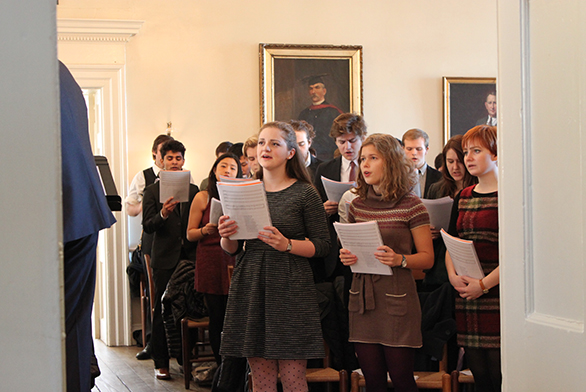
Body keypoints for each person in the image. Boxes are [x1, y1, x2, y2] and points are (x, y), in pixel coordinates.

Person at [218, 121, 330, 391]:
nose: (265, 148)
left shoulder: (305, 193)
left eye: (274, 143)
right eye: (261, 143)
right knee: (261, 379)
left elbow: (323, 245)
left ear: (291, 153)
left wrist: (287, 244)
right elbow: (232, 248)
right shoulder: (244, 189)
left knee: (292, 378)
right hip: (252, 281)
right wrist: (226, 234)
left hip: (291, 285)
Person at [339, 133, 433, 392]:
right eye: (363, 159)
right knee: (373, 382)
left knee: (402, 380)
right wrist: (348, 257)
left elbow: (427, 258)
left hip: (397, 300)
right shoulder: (356, 205)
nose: (365, 164)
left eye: (373, 158)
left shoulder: (411, 205)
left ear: (390, 162)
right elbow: (354, 249)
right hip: (363, 302)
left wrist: (399, 259)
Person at [59, 60, 117, 391]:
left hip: (55, 212)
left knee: (54, 332)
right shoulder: (58, 70)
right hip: (78, 208)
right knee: (73, 328)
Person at [445, 125, 500, 392]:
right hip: (467, 293)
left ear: (497, 154)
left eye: (476, 151)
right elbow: (452, 242)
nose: (468, 158)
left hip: (497, 292)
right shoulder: (463, 196)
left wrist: (484, 285)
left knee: (500, 373)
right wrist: (452, 275)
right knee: (480, 375)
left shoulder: (509, 196)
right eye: (467, 151)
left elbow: (517, 254)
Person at [142, 139, 199, 380]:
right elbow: (147, 225)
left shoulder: (194, 190)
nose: (174, 162)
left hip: (190, 257)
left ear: (183, 161)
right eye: (170, 158)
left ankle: (187, 359)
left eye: (178, 158)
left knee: (192, 308)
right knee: (162, 310)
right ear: (161, 162)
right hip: (165, 259)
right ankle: (161, 361)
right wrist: (163, 214)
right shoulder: (152, 191)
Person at [186, 152, 242, 365]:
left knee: (235, 317)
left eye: (233, 168)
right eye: (223, 167)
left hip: (234, 258)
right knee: (217, 317)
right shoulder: (203, 196)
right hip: (210, 258)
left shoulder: (241, 196)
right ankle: (221, 368)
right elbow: (190, 233)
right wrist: (205, 230)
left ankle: (235, 367)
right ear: (215, 171)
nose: (228, 170)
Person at [126, 133, 173, 360]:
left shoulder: (183, 178)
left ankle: (175, 345)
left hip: (175, 241)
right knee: (156, 294)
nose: (169, 159)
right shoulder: (143, 177)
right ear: (156, 154)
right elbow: (130, 208)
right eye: (165, 153)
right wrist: (149, 204)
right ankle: (153, 344)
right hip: (152, 239)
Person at [314, 113, 367, 283]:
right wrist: (324, 209)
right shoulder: (324, 169)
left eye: (352, 141)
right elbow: (314, 209)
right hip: (334, 246)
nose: (347, 147)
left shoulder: (372, 167)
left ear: (363, 138)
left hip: (364, 239)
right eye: (341, 142)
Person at [424, 135, 478, 291]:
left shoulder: (478, 188)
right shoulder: (437, 188)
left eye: (459, 161)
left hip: (468, 253)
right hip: (440, 256)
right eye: (450, 162)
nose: (455, 167)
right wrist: (429, 231)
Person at [298, 75, 343, 161]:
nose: (313, 91)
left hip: (328, 158)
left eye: (317, 87)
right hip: (308, 158)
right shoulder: (304, 114)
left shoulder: (334, 113)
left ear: (324, 91)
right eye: (311, 88)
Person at [402, 128, 442, 198]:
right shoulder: (395, 176)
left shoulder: (439, 177)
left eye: (419, 149)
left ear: (426, 150)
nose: (414, 153)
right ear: (402, 149)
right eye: (409, 149)